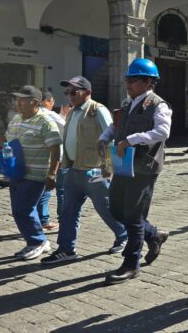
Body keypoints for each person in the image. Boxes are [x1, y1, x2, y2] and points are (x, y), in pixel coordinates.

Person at [40, 76, 128, 264]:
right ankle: (66, 249)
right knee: (67, 211)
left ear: (87, 93)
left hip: (94, 170)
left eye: (74, 92)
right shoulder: (72, 112)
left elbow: (112, 138)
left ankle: (124, 234)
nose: (69, 96)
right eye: (67, 92)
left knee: (106, 209)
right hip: (73, 170)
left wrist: (109, 167)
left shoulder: (98, 110)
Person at [98, 59, 171, 284]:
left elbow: (163, 131)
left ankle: (131, 263)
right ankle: (153, 235)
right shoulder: (127, 103)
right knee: (117, 209)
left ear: (149, 82)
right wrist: (104, 137)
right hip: (122, 163)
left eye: (133, 80)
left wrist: (132, 140)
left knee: (133, 215)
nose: (128, 84)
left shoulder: (159, 105)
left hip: (144, 166)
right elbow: (116, 124)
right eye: (127, 80)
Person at [0, 86, 62, 260]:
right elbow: (6, 143)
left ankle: (37, 241)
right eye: (16, 99)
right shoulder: (16, 119)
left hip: (36, 175)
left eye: (22, 99)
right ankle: (37, 240)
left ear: (35, 102)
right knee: (20, 210)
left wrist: (52, 174)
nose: (17, 103)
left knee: (23, 209)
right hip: (17, 172)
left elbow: (56, 149)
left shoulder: (45, 122)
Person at [34, 90, 67, 231]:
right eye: (52, 101)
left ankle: (41, 219)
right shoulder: (50, 114)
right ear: (46, 101)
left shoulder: (32, 113)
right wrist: (65, 116)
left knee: (42, 190)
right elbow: (66, 130)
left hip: (38, 158)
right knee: (59, 190)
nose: (53, 104)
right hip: (55, 158)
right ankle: (61, 220)